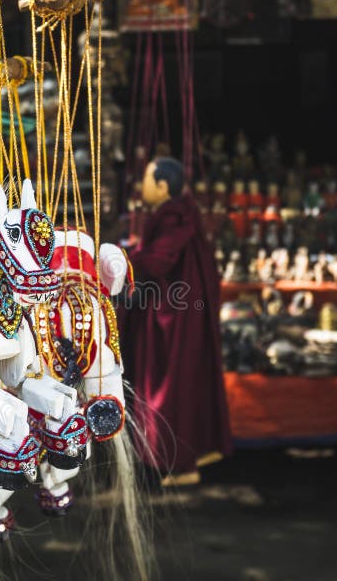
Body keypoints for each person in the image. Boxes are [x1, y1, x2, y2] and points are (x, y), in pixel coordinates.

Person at [121, 156, 232, 480]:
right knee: (183, 383)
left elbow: (159, 260)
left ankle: (180, 462)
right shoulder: (178, 213)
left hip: (177, 317)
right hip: (176, 309)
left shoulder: (176, 217)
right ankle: (185, 455)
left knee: (172, 385)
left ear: (163, 186)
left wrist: (125, 257)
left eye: (146, 179)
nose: (141, 186)